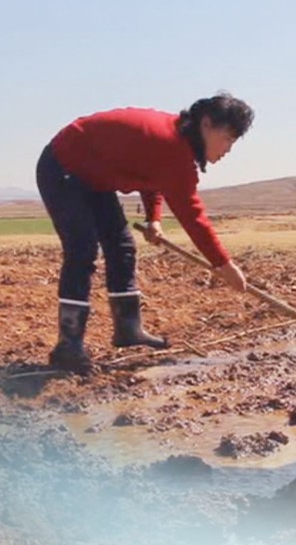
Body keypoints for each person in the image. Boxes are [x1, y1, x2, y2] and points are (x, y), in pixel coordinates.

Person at [36, 93, 255, 375]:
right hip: (63, 167)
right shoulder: (171, 145)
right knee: (82, 250)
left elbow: (150, 174)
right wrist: (223, 265)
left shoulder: (175, 141)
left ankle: (128, 329)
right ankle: (68, 346)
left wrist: (154, 218)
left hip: (93, 177)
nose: (227, 149)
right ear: (207, 124)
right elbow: (192, 215)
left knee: (122, 246)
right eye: (228, 139)